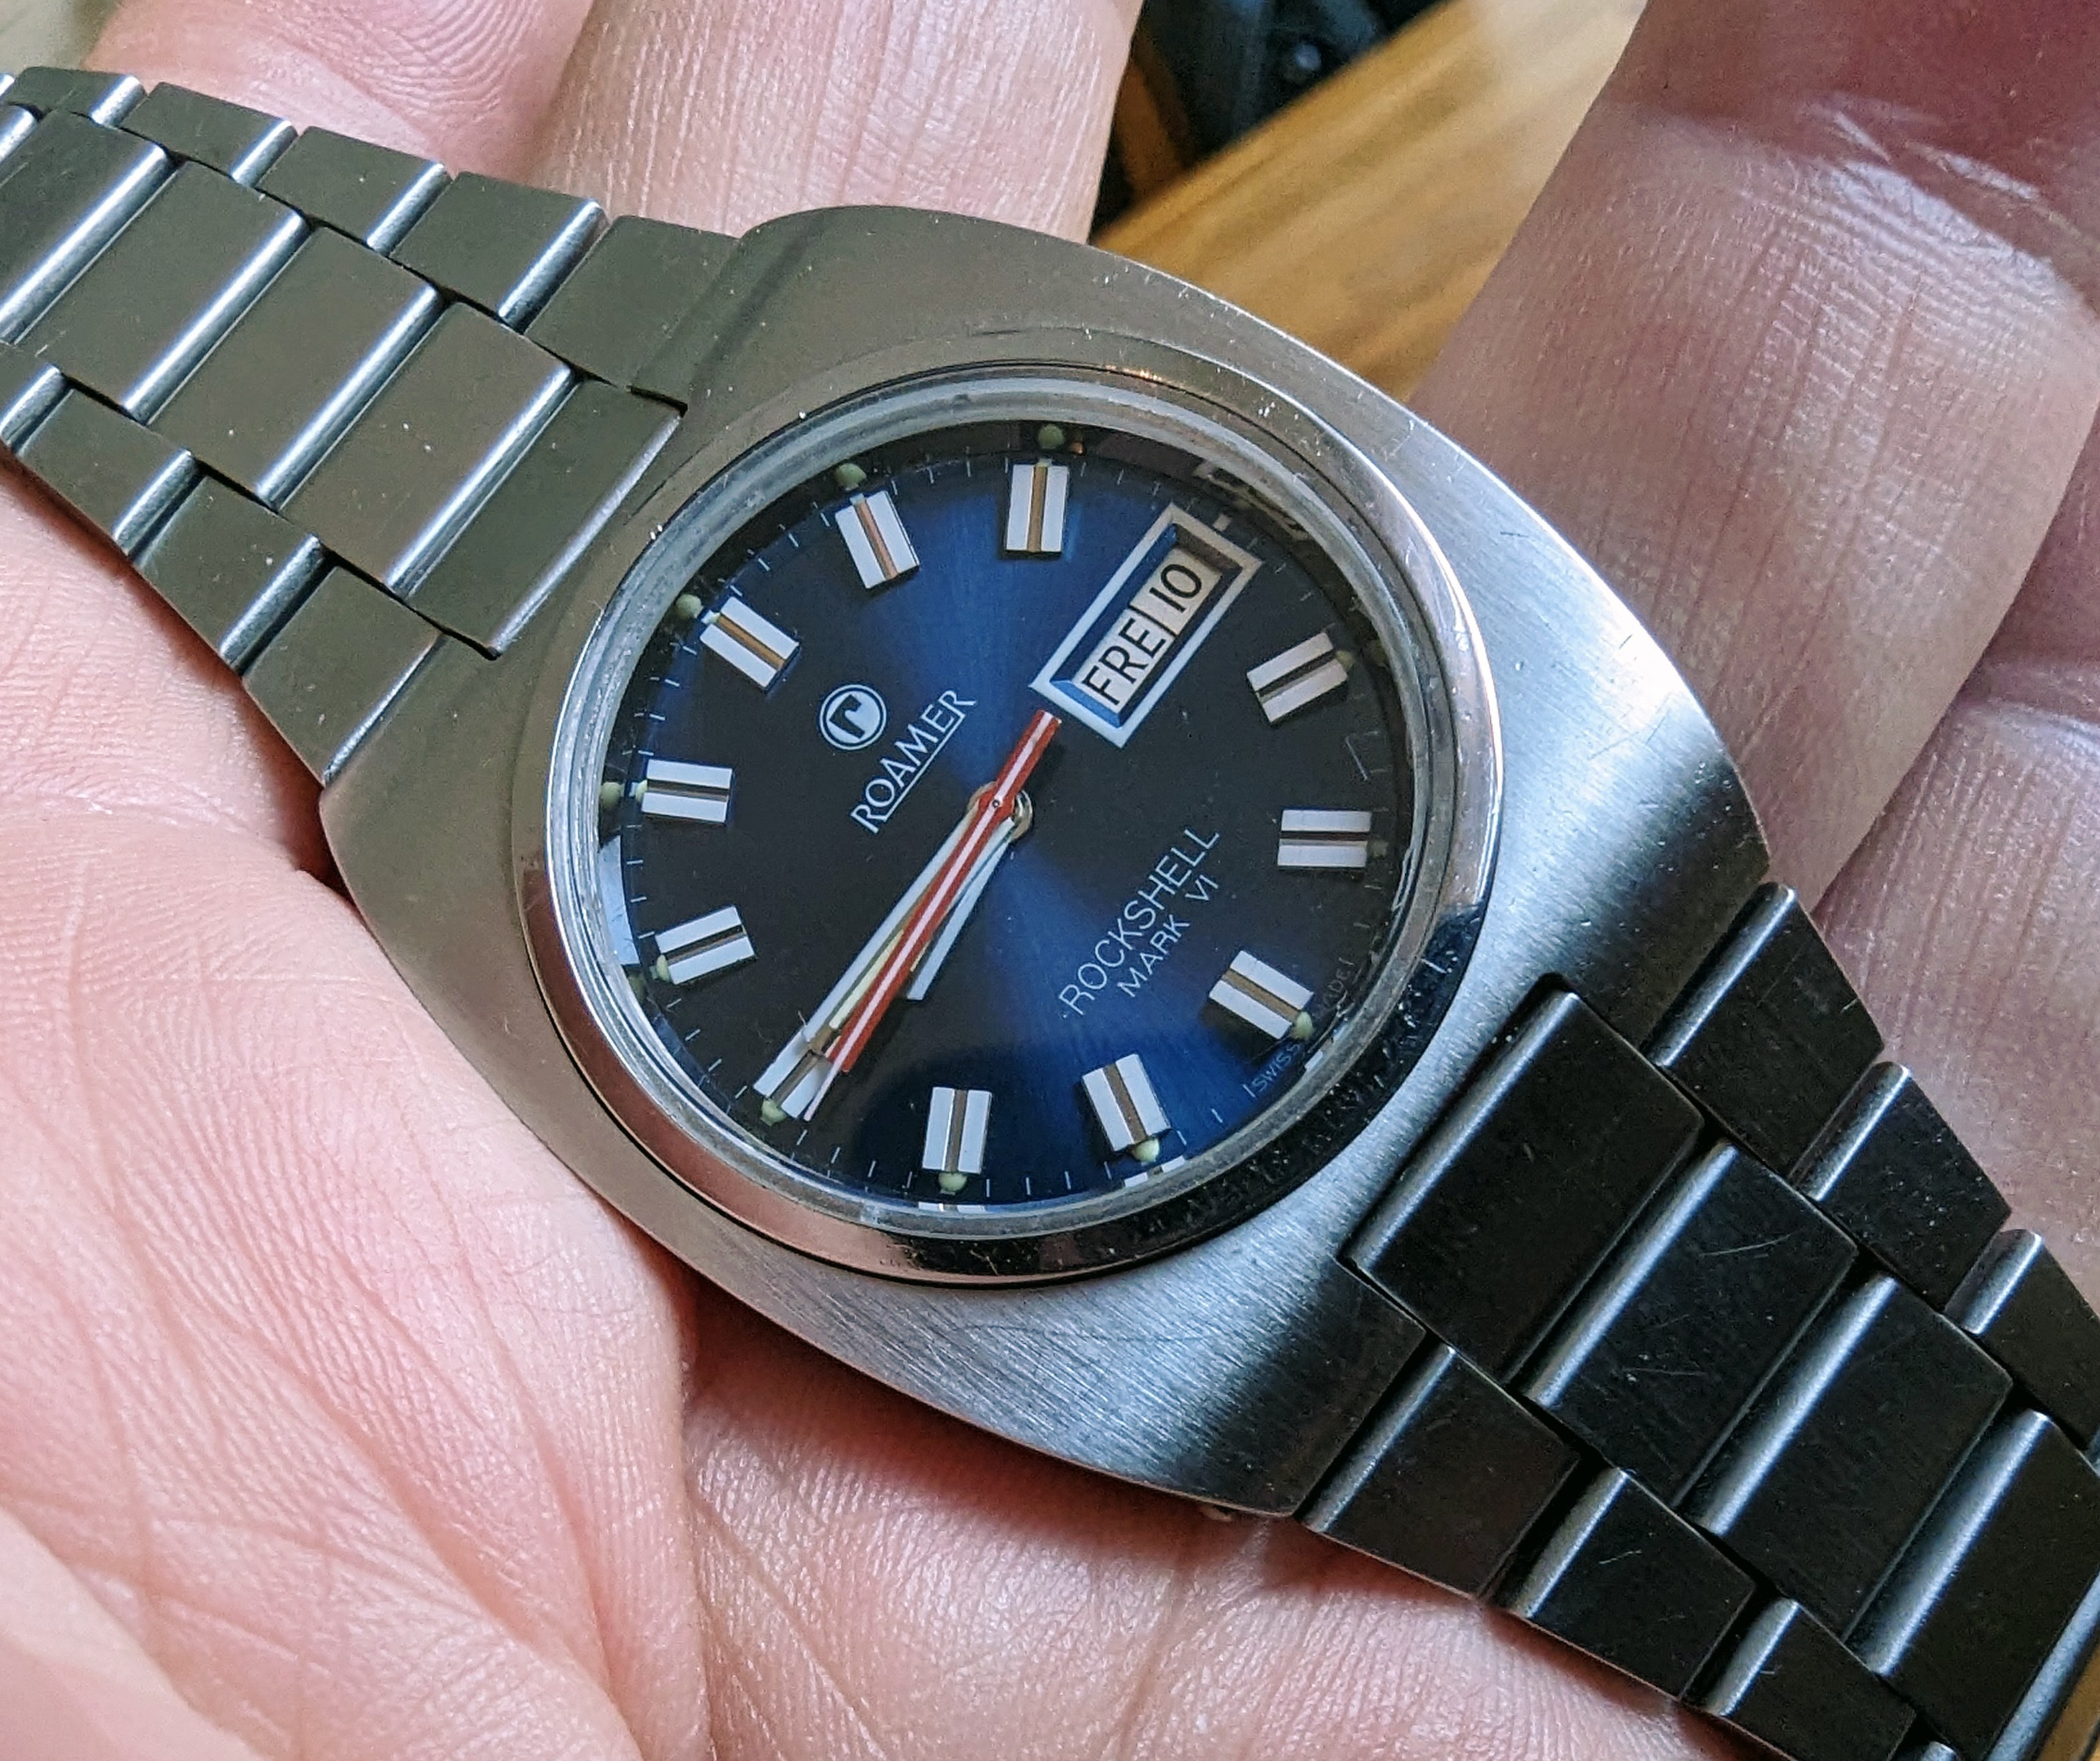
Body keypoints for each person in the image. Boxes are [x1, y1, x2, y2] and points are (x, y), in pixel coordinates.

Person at [3, 0, 2095, 1754]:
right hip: (1251, 1274)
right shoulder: (446, 810)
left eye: (993, 802)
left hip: (1553, 901)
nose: (985, 821)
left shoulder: (758, 353)